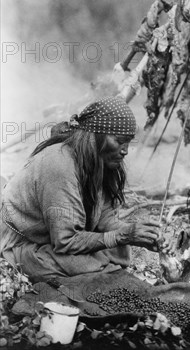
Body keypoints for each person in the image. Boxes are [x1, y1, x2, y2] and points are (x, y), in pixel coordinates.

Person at [0, 96, 166, 282]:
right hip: (23, 242)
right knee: (81, 263)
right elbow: (65, 241)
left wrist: (138, 234)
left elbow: (105, 219)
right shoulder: (59, 164)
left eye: (128, 142)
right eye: (119, 141)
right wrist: (122, 235)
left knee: (119, 249)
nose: (125, 150)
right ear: (98, 136)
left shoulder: (99, 161)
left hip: (57, 237)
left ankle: (102, 270)